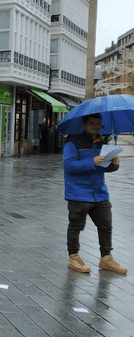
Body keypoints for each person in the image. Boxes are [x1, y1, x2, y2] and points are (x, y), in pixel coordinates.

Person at [63, 113, 127, 274]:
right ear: (84, 124)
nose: (95, 126)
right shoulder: (73, 142)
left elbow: (105, 167)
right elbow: (69, 165)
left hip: (100, 193)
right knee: (76, 227)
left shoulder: (103, 141)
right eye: (91, 123)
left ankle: (106, 258)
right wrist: (92, 161)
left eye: (98, 124)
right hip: (78, 193)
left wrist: (114, 164)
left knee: (106, 226)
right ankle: (74, 257)